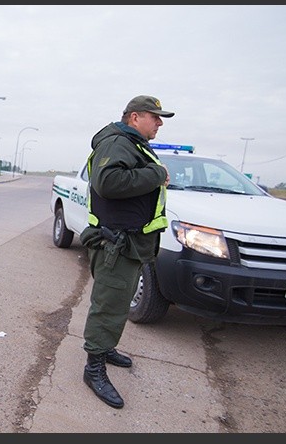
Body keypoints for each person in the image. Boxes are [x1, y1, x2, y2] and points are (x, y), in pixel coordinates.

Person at [79, 95, 173, 409]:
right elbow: (108, 182)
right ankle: (93, 369)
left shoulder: (131, 144)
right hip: (115, 245)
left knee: (119, 304)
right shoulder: (117, 143)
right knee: (107, 306)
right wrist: (157, 175)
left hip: (128, 245)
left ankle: (104, 349)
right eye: (155, 117)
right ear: (134, 117)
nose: (159, 123)